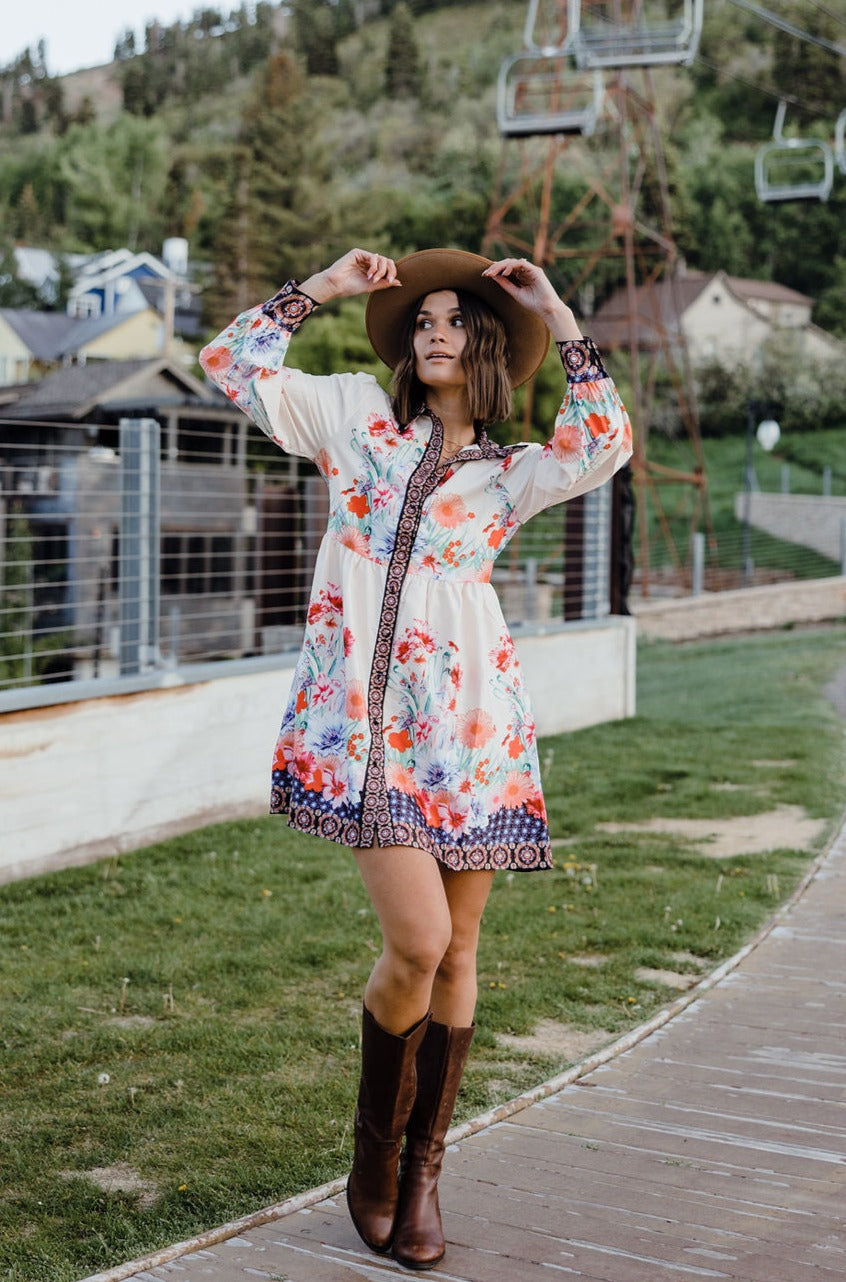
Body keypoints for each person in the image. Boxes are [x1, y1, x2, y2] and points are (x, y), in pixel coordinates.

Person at [200, 247, 632, 1270]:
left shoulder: (509, 472)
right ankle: (371, 1158)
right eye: (425, 320)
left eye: (457, 322)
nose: (436, 331)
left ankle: (424, 1171)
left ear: (487, 352)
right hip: (362, 735)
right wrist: (325, 288)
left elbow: (606, 440)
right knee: (420, 941)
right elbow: (230, 363)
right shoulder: (354, 419)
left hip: (472, 736)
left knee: (461, 950)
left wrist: (557, 313)